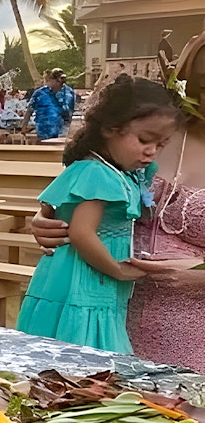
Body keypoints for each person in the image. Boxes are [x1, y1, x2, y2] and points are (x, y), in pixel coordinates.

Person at [31, 33, 205, 371]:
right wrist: (45, 220)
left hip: (191, 332)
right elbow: (82, 189)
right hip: (98, 309)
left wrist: (200, 277)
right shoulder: (154, 128)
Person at [16, 75, 182, 353]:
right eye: (144, 140)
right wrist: (117, 269)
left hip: (93, 280)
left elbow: (51, 209)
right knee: (83, 353)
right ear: (110, 129)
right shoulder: (97, 173)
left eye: (160, 145)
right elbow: (81, 232)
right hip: (85, 279)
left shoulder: (120, 171)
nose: (151, 151)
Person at [20, 68, 74, 141]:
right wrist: (24, 128)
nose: (48, 82)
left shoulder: (69, 93)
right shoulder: (39, 93)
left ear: (56, 80)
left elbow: (70, 114)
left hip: (62, 133)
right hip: (43, 133)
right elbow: (29, 110)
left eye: (50, 80)